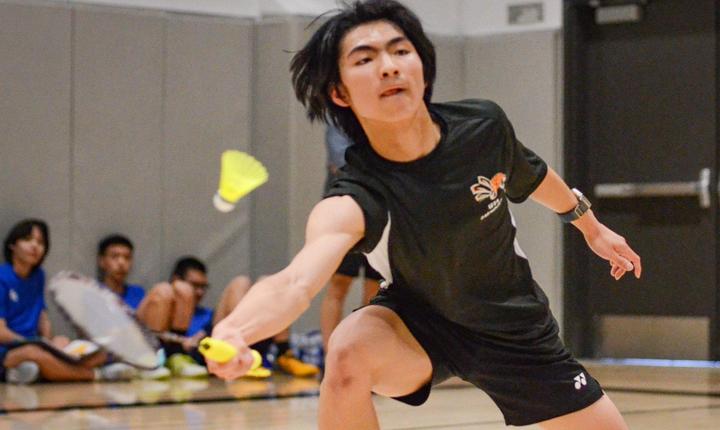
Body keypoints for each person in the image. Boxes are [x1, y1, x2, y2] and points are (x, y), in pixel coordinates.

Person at [208, 1, 641, 429]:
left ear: (422, 67)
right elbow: (296, 281)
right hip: (416, 327)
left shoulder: (482, 128)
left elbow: (533, 174)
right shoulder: (356, 196)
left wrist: (590, 226)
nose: (388, 66)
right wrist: (236, 331)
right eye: (365, 58)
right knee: (347, 352)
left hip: (513, 329)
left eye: (400, 51)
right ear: (338, 92)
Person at [1, 219, 135, 383]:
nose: (35, 246)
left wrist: (49, 343)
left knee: (66, 342)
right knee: (33, 353)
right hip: (8, 349)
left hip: (35, 343)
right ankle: (98, 375)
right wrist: (33, 343)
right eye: (28, 240)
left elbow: (42, 315)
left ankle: (31, 371)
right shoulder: (3, 278)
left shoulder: (38, 276)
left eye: (40, 242)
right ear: (12, 246)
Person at [136, 257, 318, 378]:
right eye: (194, 286)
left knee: (255, 282)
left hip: (218, 346)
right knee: (168, 290)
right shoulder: (161, 298)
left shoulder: (205, 313)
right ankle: (161, 358)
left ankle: (284, 354)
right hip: (175, 349)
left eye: (203, 287)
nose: (198, 292)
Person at [321, 126, 381, 347]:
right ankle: (330, 356)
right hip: (345, 211)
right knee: (339, 282)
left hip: (380, 210)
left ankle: (365, 354)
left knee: (375, 286)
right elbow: (341, 162)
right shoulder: (339, 121)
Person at [96, 234, 146, 311]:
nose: (121, 263)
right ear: (102, 261)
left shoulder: (138, 294)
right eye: (114, 256)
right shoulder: (94, 294)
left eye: (127, 257)